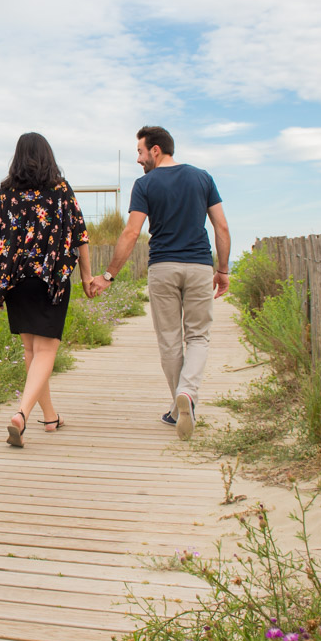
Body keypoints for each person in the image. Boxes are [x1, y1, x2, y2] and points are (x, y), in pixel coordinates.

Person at [90, 126, 230, 441]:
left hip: (163, 267)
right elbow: (221, 226)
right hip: (199, 266)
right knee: (198, 337)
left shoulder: (145, 184)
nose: (138, 159)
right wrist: (222, 270)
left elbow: (131, 232)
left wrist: (109, 275)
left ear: (156, 150)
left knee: (169, 340)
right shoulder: (203, 178)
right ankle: (187, 394)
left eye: (140, 152)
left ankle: (179, 405)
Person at [0, 132, 94, 448]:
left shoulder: (6, 192)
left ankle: (50, 417)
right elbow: (80, 235)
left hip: (15, 279)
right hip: (51, 278)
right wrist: (87, 277)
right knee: (45, 351)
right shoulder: (60, 189)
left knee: (32, 351)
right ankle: (22, 413)